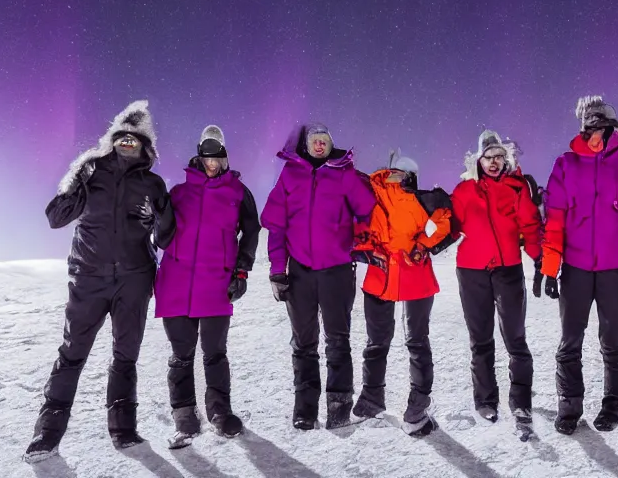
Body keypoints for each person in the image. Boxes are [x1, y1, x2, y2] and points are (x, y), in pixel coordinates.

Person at [24, 100, 175, 462]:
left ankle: (124, 430)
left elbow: (166, 237)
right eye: (122, 138)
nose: (127, 145)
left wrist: (159, 213)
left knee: (125, 357)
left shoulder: (152, 183)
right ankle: (47, 434)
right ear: (112, 139)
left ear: (145, 145)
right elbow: (56, 217)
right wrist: (75, 179)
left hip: (135, 280)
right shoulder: (91, 172)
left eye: (134, 140)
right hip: (88, 278)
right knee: (72, 354)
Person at [539, 95, 618, 435]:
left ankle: (615, 403)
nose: (593, 134)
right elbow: (555, 220)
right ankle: (569, 405)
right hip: (576, 270)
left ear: (610, 128)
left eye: (599, 127)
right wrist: (550, 268)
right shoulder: (566, 163)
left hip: (614, 270)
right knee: (570, 341)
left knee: (612, 340)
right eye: (588, 127)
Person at [261, 123, 376, 430]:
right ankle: (305, 410)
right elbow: (277, 226)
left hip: (337, 270)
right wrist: (277, 270)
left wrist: (354, 179)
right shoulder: (290, 174)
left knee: (338, 340)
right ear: (306, 145)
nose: (320, 145)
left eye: (325, 140)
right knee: (304, 343)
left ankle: (339, 408)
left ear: (330, 144)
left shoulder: (343, 173)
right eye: (315, 140)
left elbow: (368, 209)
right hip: (299, 271)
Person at [154, 125, 260, 447]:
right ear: (199, 155)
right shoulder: (179, 193)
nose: (212, 163)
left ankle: (219, 411)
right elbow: (162, 236)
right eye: (207, 156)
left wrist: (241, 271)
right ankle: (184, 413)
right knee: (182, 354)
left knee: (215, 353)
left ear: (224, 156)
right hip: (177, 284)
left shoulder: (238, 192)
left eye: (217, 156)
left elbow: (252, 231)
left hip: (216, 284)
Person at [351, 150, 453, 436]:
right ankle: (414, 411)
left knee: (381, 342)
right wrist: (422, 243)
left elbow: (353, 224)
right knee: (413, 342)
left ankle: (377, 402)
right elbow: (446, 218)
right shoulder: (415, 197)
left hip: (389, 273)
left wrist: (421, 243)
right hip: (406, 272)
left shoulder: (374, 193)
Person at [450, 130, 542, 425]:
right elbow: (447, 226)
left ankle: (521, 401)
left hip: (508, 271)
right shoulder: (463, 191)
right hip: (472, 272)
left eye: (499, 157)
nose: (494, 162)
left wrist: (540, 260)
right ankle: (486, 401)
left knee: (516, 339)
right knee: (481, 340)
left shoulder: (517, 188)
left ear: (506, 159)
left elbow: (529, 225)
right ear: (479, 160)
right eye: (489, 157)